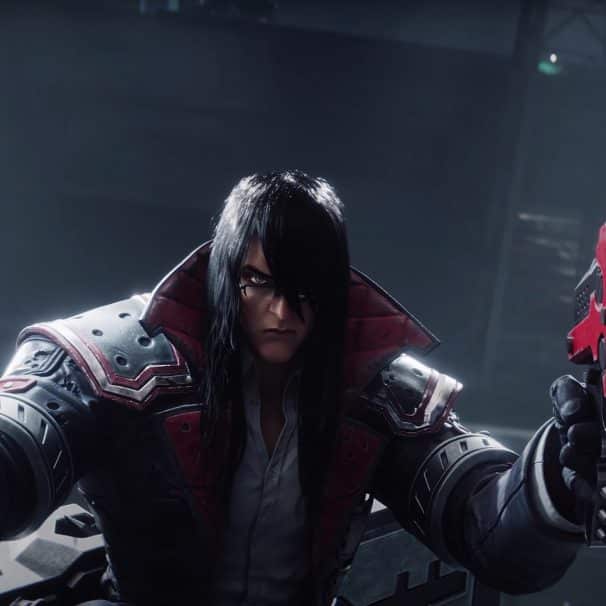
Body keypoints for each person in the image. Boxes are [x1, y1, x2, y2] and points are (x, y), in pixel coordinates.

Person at [0, 170, 597, 606]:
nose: (282, 311)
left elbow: (483, 521)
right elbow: (20, 446)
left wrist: (556, 472)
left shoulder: (378, 391)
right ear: (223, 275)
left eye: (304, 288)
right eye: (259, 282)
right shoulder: (118, 357)